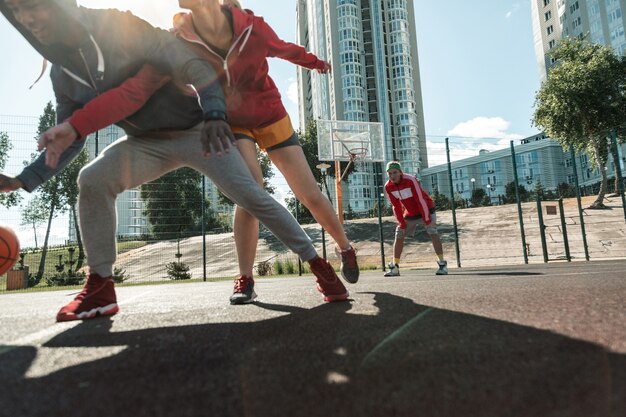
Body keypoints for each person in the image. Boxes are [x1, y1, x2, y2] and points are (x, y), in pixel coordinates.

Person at [0, 0, 348, 322]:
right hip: (144, 143)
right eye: (16, 11)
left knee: (251, 196)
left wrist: (214, 112)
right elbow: (66, 138)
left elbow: (191, 66)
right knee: (92, 179)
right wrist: (22, 179)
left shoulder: (115, 25)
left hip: (197, 131)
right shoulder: (62, 75)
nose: (26, 18)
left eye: (31, 7)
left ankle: (319, 265)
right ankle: (101, 288)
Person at [383, 161, 448, 276]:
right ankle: (395, 267)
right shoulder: (388, 186)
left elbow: (420, 200)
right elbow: (396, 206)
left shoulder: (410, 180)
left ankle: (442, 264)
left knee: (432, 231)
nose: (392, 176)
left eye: (395, 172)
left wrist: (427, 220)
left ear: (400, 172)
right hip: (411, 213)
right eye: (389, 173)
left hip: (426, 208)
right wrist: (401, 223)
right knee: (399, 234)